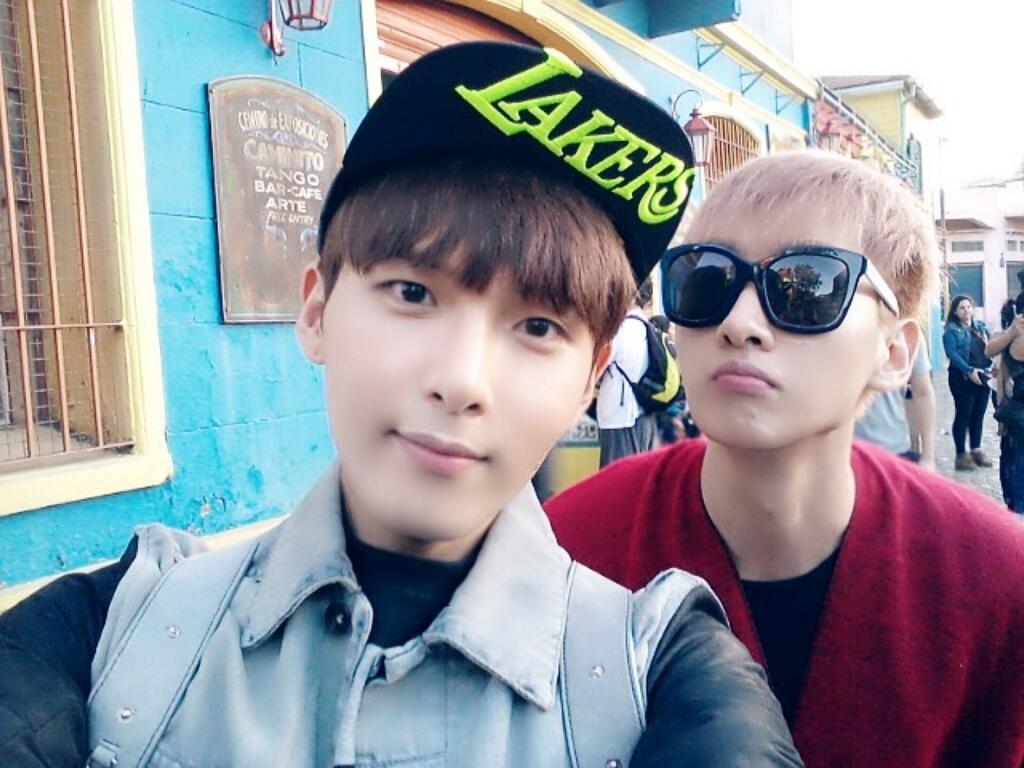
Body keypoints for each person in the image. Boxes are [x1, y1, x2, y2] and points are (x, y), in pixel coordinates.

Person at [0, 43, 801, 768]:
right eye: (412, 293)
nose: (463, 380)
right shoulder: (110, 632)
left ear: (590, 379)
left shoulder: (662, 676)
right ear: (316, 311)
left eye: (537, 326)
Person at [547, 151, 1024, 768]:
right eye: (705, 279)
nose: (739, 322)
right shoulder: (569, 550)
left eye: (806, 285)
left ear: (894, 352)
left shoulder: (995, 583)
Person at [596, 280, 658, 466]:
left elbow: (596, 365)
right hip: (643, 414)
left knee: (617, 476)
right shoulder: (646, 326)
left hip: (621, 416)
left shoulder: (622, 329)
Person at [854, 342, 936, 469]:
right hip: (845, 452)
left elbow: (923, 393)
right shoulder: (836, 332)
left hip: (895, 448)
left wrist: (928, 458)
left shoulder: (907, 335)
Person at [941, 294, 993, 470]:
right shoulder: (951, 330)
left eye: (969, 307)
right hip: (962, 377)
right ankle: (961, 455)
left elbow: (991, 349)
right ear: (955, 312)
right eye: (962, 308)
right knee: (964, 413)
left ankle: (976, 450)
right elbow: (952, 354)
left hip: (982, 375)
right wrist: (969, 370)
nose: (966, 310)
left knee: (979, 413)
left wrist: (989, 348)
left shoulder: (981, 327)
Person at [985, 295, 1024, 512]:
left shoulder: (1008, 336)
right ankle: (1017, 504)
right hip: (1016, 408)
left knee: (1012, 454)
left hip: (1012, 407)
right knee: (1016, 456)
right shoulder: (1011, 336)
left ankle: (1013, 502)